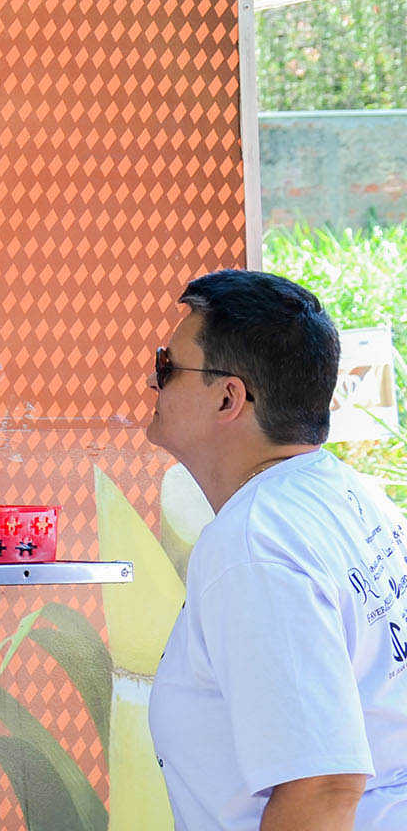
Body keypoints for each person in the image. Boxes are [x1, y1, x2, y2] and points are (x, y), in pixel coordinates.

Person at [143, 269, 407, 831]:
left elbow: (322, 787)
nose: (152, 382)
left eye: (168, 366)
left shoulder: (255, 544)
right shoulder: (349, 493)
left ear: (228, 398)